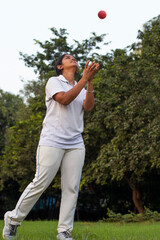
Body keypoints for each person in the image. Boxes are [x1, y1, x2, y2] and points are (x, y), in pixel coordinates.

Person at [2, 54, 99, 240]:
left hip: (75, 142)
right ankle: (12, 219)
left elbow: (88, 107)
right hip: (52, 140)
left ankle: (64, 232)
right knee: (40, 182)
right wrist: (84, 81)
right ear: (60, 66)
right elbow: (64, 100)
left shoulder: (79, 84)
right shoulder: (54, 81)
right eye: (68, 58)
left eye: (74, 57)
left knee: (71, 188)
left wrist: (90, 83)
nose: (74, 59)